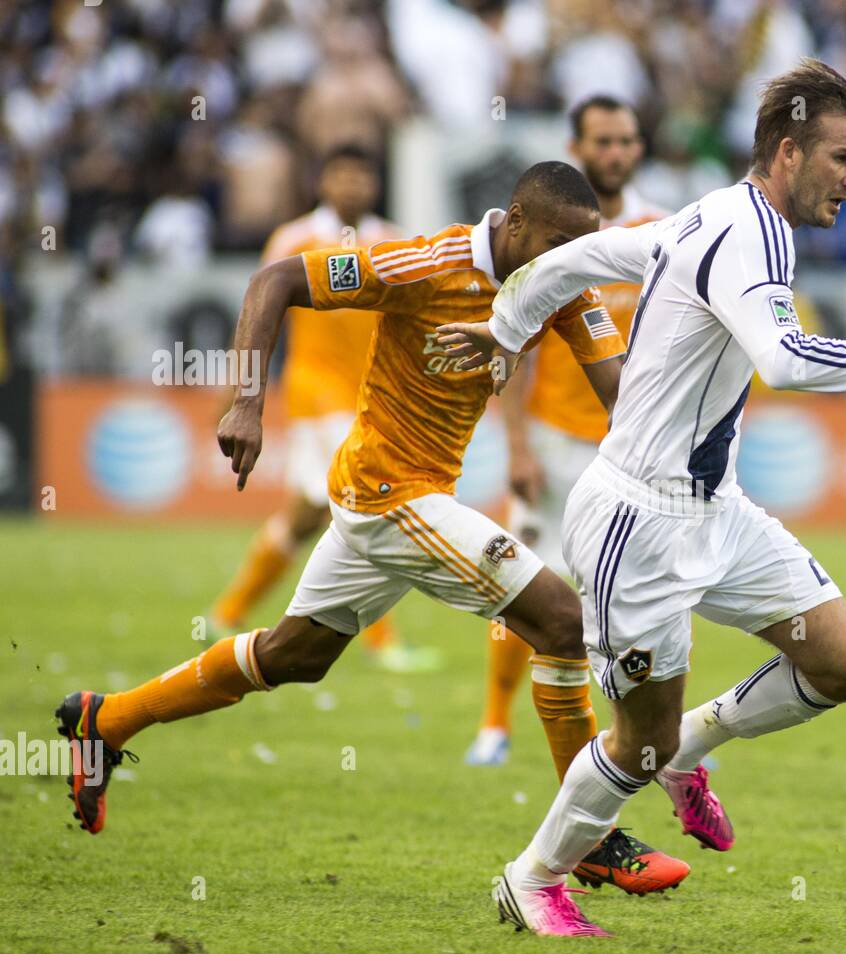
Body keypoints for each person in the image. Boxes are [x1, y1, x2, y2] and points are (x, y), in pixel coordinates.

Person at [439, 61, 846, 937]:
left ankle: (690, 747)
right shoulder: (748, 235)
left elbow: (580, 256)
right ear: (787, 150)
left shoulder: (712, 215)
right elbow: (786, 360)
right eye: (842, 158)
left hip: (717, 514)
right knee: (635, 743)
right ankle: (532, 877)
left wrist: (505, 330)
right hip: (638, 528)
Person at [55, 162, 689, 897]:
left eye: (581, 249)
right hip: (394, 495)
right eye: (555, 243)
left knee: (295, 656)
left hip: (391, 498)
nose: (568, 261)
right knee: (561, 620)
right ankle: (592, 840)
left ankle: (107, 720)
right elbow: (275, 283)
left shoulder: (561, 283)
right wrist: (248, 403)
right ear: (515, 221)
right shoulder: (426, 263)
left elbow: (621, 391)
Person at [466, 95, 667, 771]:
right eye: (602, 141)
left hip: (627, 449)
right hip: (552, 441)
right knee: (523, 583)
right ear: (577, 148)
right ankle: (494, 723)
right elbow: (517, 347)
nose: (616, 152)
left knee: (633, 595)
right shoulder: (557, 236)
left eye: (626, 140)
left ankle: (645, 734)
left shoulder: (659, 231)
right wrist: (517, 444)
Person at [205, 143, 432, 672]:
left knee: (307, 516)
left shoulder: (394, 240)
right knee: (371, 500)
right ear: (322, 182)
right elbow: (260, 309)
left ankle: (226, 611)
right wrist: (239, 393)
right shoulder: (294, 237)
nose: (351, 185)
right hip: (315, 393)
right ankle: (384, 643)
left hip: (370, 394)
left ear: (374, 185)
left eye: (362, 175)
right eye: (341, 175)